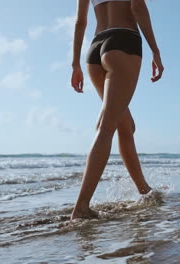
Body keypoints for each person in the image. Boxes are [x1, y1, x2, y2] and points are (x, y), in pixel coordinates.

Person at [70, 0, 164, 220]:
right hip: (123, 40)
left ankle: (145, 191)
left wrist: (75, 64)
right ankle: (81, 207)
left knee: (125, 125)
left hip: (95, 50)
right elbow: (138, 7)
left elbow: (80, 21)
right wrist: (155, 51)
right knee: (106, 127)